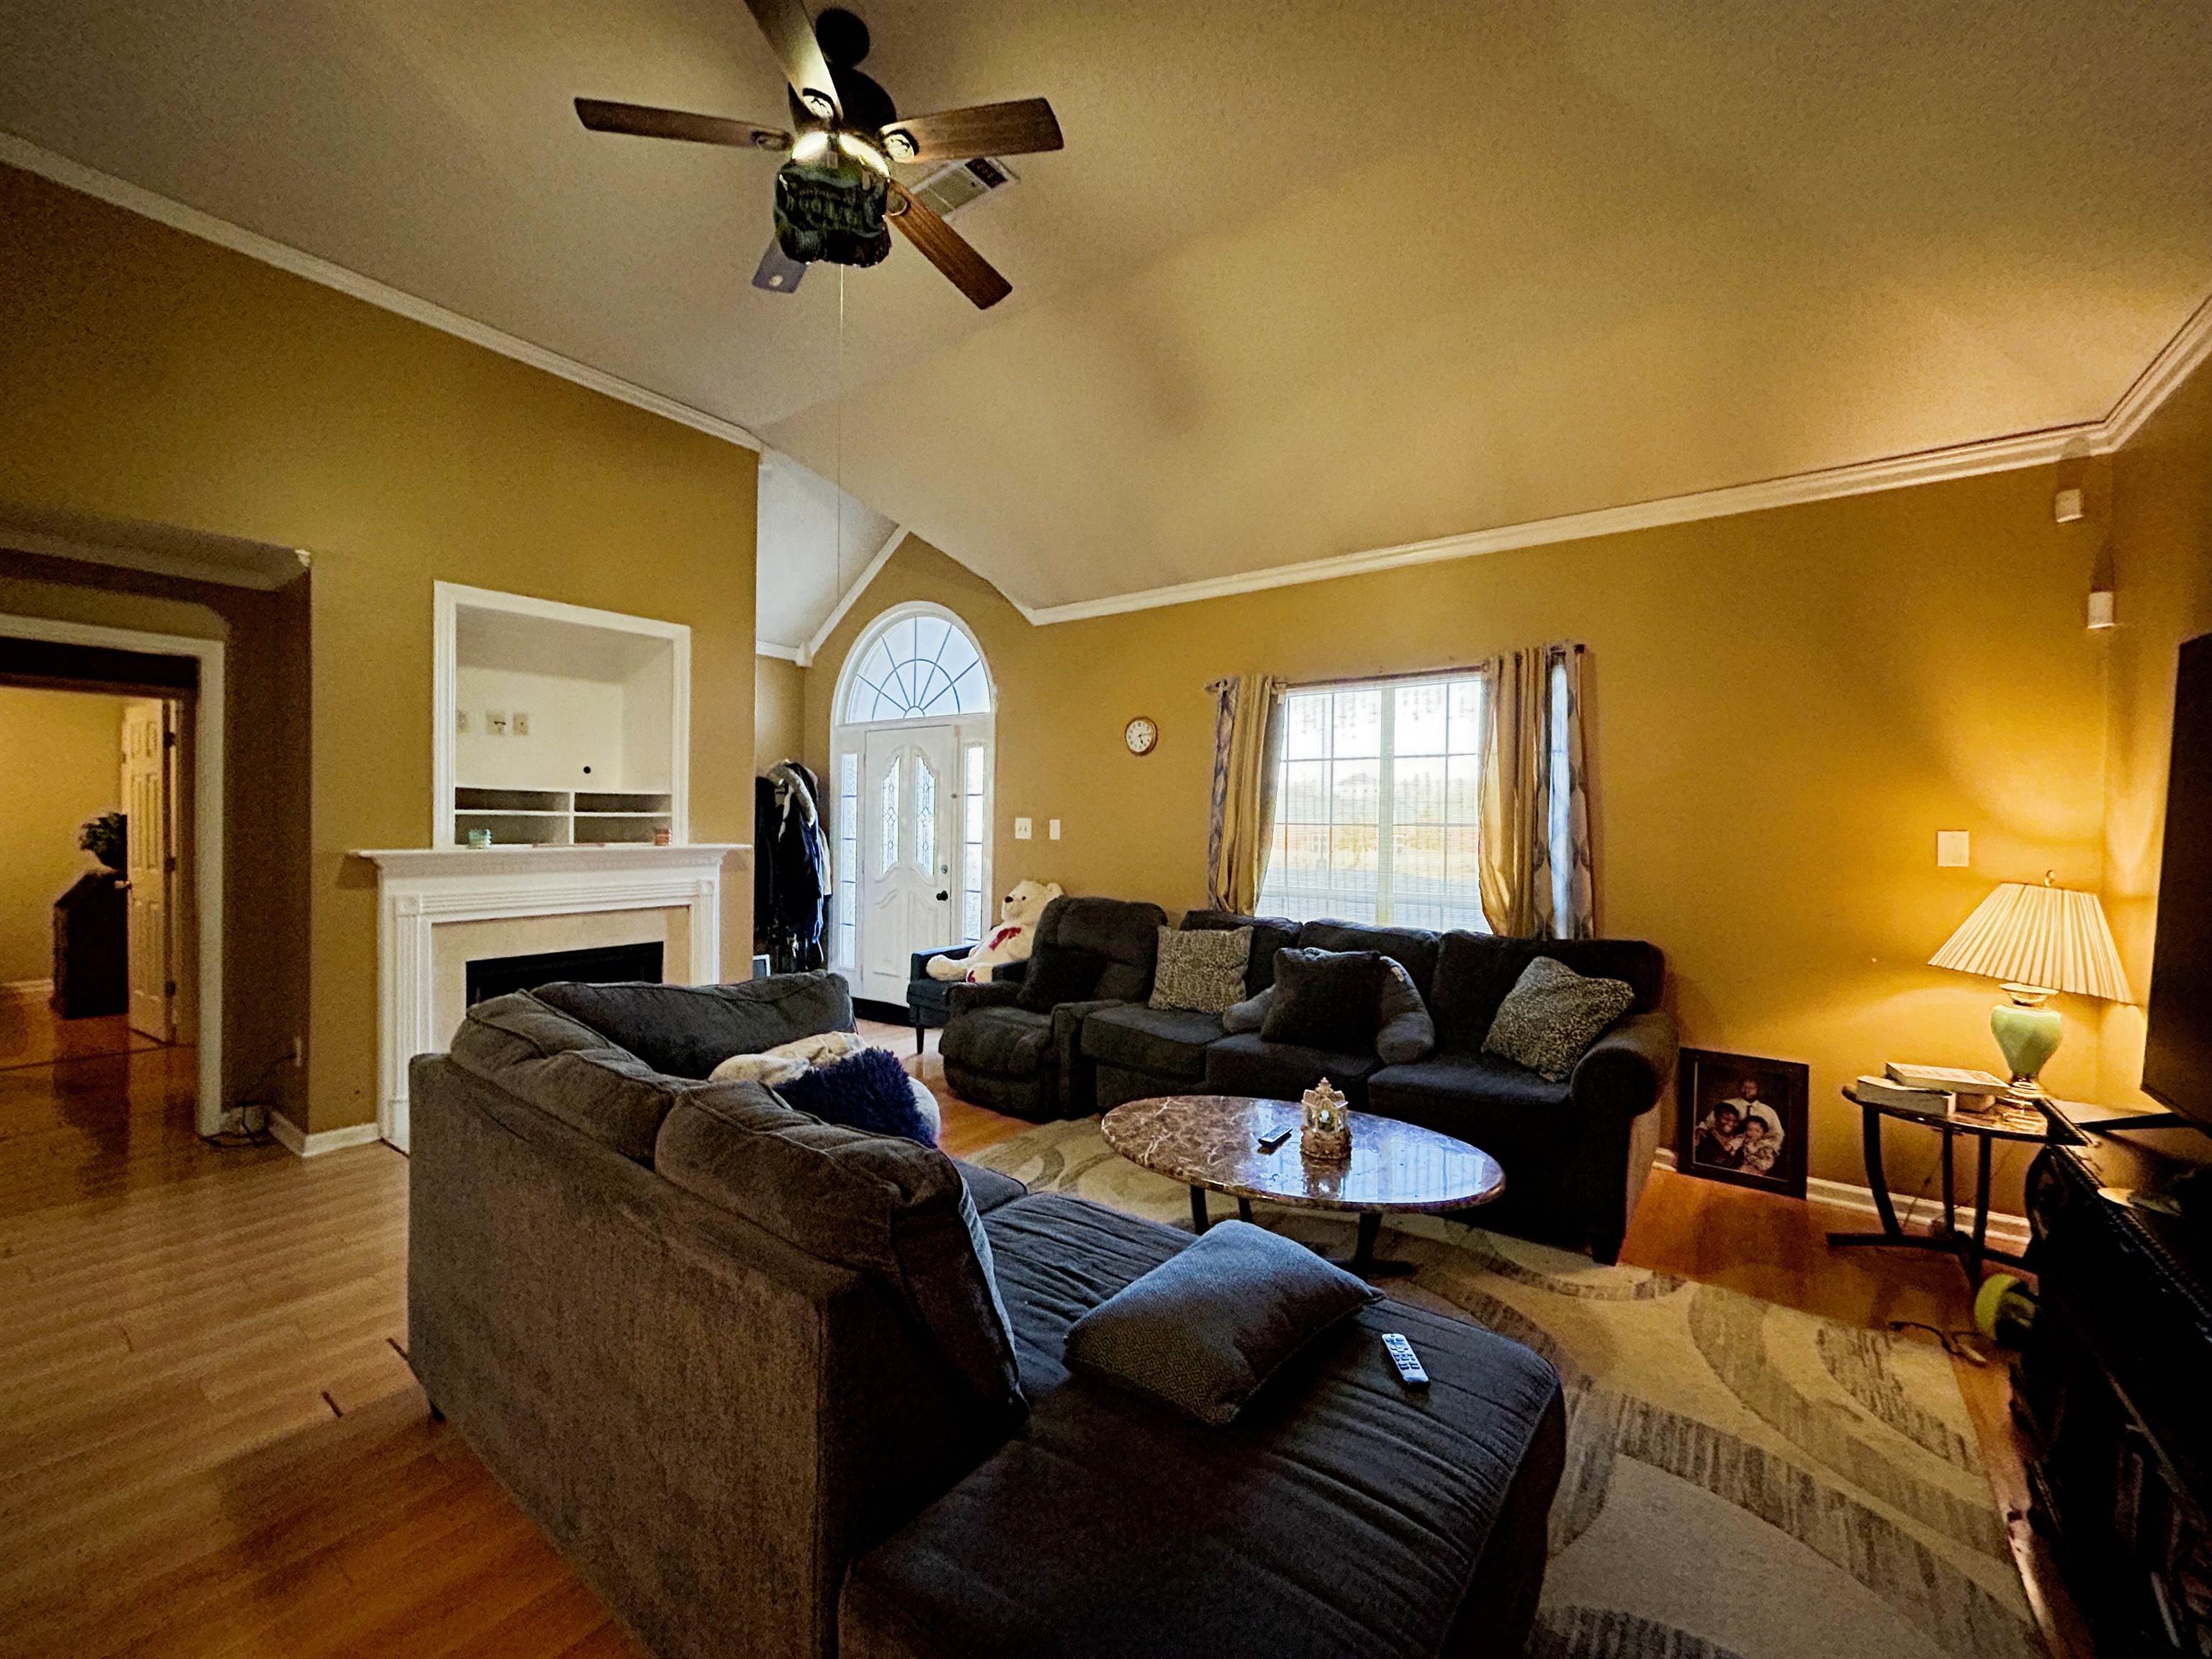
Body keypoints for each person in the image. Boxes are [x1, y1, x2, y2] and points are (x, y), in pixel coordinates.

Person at [1694, 1102, 1745, 1168]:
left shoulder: (1739, 1139)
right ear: (1716, 1119)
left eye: (1735, 1121)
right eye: (1726, 1119)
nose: (1731, 1124)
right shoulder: (1705, 1138)